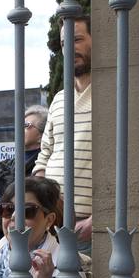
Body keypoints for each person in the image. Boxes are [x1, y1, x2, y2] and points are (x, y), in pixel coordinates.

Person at [36, 16, 93, 246]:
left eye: (77, 39)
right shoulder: (59, 99)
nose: (70, 48)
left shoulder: (113, 93)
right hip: (51, 222)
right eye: (63, 43)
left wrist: (96, 219)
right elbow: (45, 153)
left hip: (87, 226)